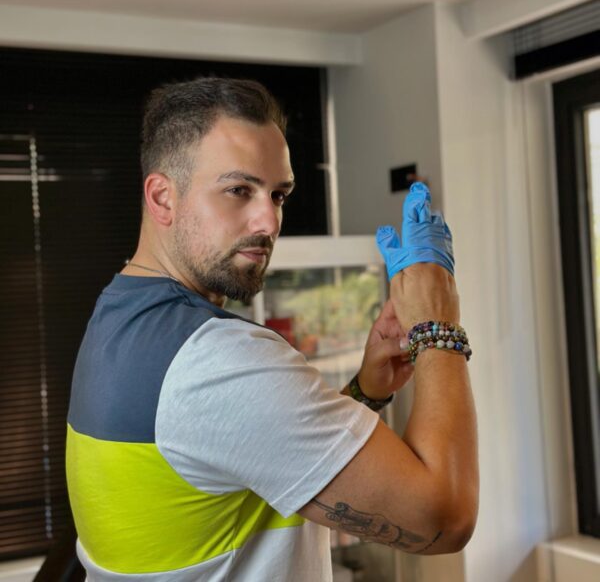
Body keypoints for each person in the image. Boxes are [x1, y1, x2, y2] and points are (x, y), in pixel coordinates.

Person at [66, 77, 478, 581]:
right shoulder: (216, 358)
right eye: (238, 190)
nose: (269, 221)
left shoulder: (117, 315)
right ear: (163, 197)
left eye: (278, 195)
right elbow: (444, 518)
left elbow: (249, 454)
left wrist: (365, 392)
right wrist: (438, 325)